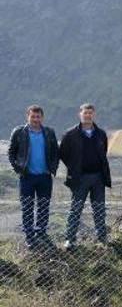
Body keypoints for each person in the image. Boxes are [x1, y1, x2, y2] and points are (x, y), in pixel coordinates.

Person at [59, 103, 111, 250]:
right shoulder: (70, 134)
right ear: (79, 114)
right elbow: (63, 154)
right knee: (75, 209)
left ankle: (101, 238)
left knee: (99, 208)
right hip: (79, 178)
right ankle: (70, 239)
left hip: (98, 178)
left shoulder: (101, 134)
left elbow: (103, 152)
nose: (88, 115)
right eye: (85, 113)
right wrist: (74, 167)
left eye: (90, 113)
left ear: (94, 115)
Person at [8, 105, 59, 249]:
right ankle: (30, 237)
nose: (36, 119)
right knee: (27, 207)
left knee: (43, 206)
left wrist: (52, 168)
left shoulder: (49, 132)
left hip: (44, 176)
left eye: (38, 116)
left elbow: (55, 152)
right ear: (27, 116)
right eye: (33, 116)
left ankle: (41, 232)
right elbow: (11, 153)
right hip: (27, 177)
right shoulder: (19, 132)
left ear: (42, 117)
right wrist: (18, 168)